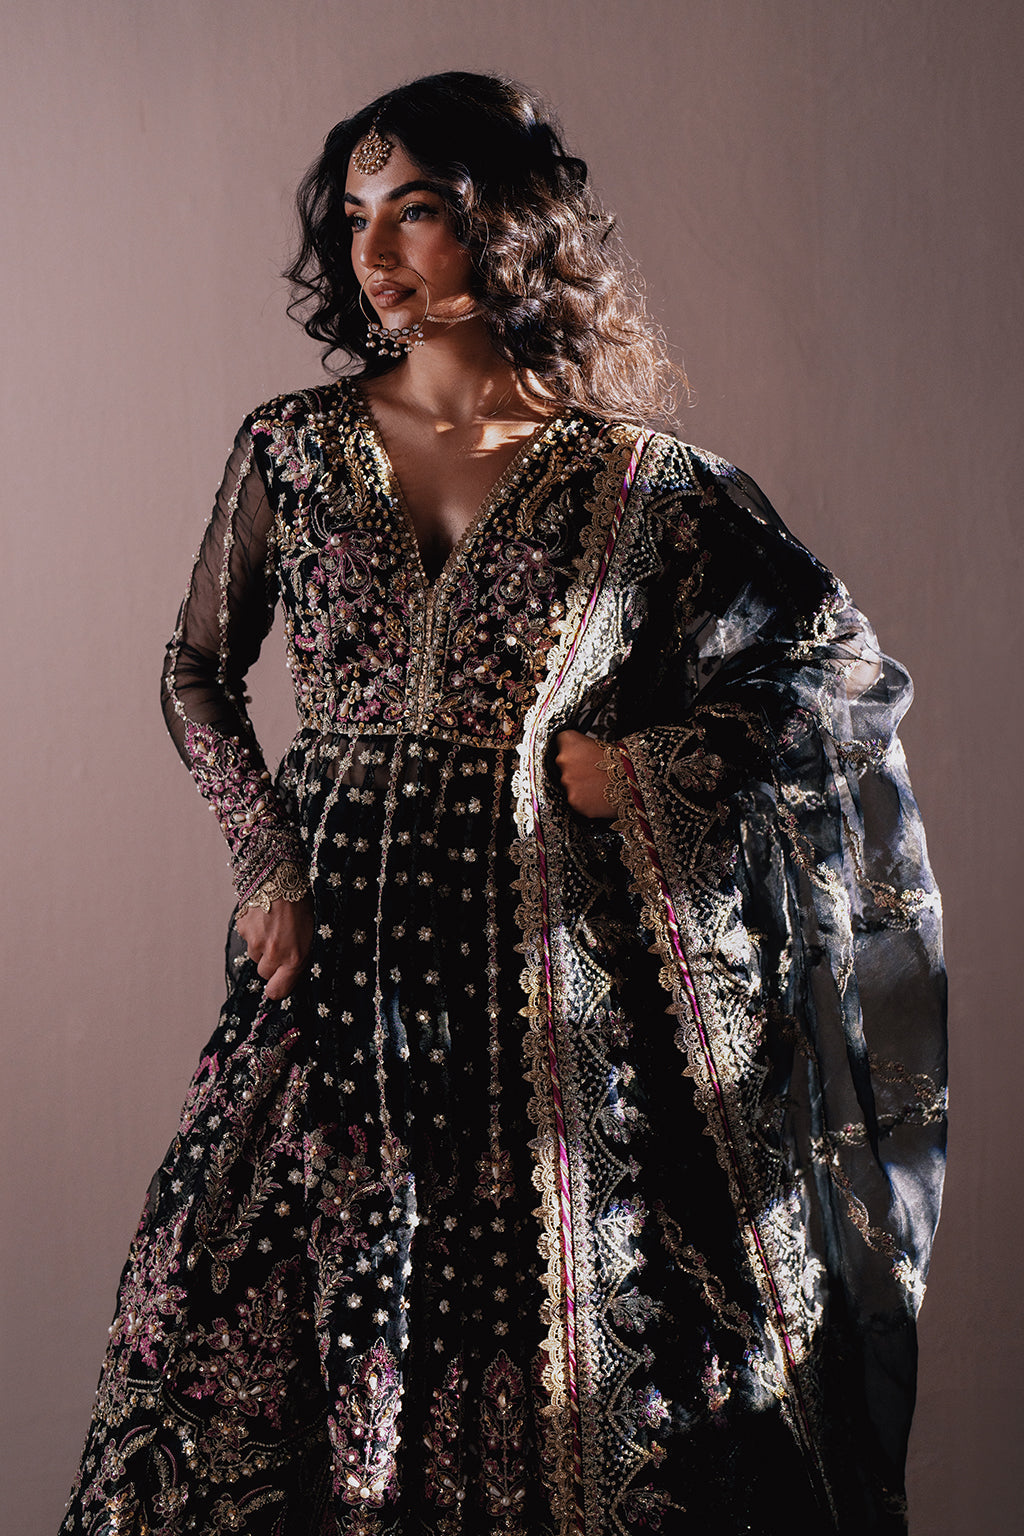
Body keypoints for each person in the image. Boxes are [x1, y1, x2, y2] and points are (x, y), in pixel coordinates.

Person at [61, 72, 946, 1536]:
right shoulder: (289, 448)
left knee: (586, 1377)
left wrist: (637, 771)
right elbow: (195, 672)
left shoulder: (646, 488)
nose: (373, 251)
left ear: (508, 222)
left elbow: (836, 686)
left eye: (413, 210)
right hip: (331, 983)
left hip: (551, 1002)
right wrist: (263, 859)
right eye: (354, 215)